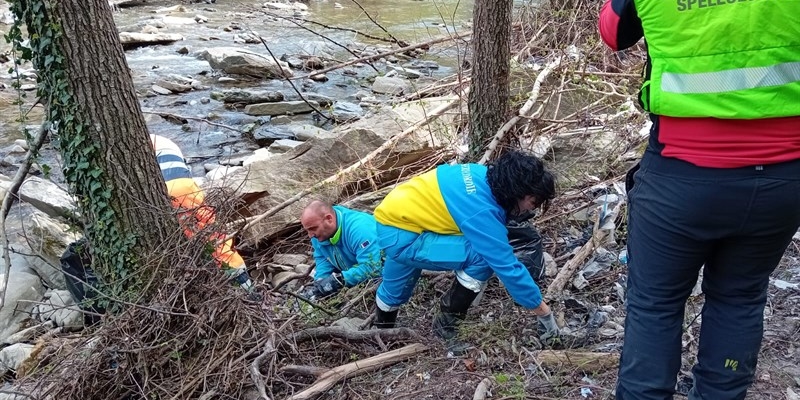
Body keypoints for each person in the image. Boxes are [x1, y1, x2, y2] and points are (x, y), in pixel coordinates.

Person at [599, 2, 800, 399]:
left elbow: (613, 31)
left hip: (681, 177)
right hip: (782, 177)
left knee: (655, 306)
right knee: (740, 298)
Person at [370, 150, 559, 353]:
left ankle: (382, 333)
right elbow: (506, 265)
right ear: (518, 191)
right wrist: (543, 311)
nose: (531, 210)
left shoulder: (480, 174)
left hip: (398, 218)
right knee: (482, 258)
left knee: (396, 285)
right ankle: (445, 328)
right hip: (404, 236)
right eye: (533, 203)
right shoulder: (482, 210)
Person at [150, 134, 259, 299]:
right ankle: (248, 291)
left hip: (168, 188)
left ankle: (239, 294)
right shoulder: (158, 139)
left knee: (186, 242)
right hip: (184, 185)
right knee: (215, 241)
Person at [299, 200, 384, 299]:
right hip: (354, 275)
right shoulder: (318, 235)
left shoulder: (359, 229)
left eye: (313, 228)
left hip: (385, 277)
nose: (310, 235)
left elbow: (373, 267)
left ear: (329, 219)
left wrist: (340, 280)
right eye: (307, 230)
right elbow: (322, 257)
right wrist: (320, 282)